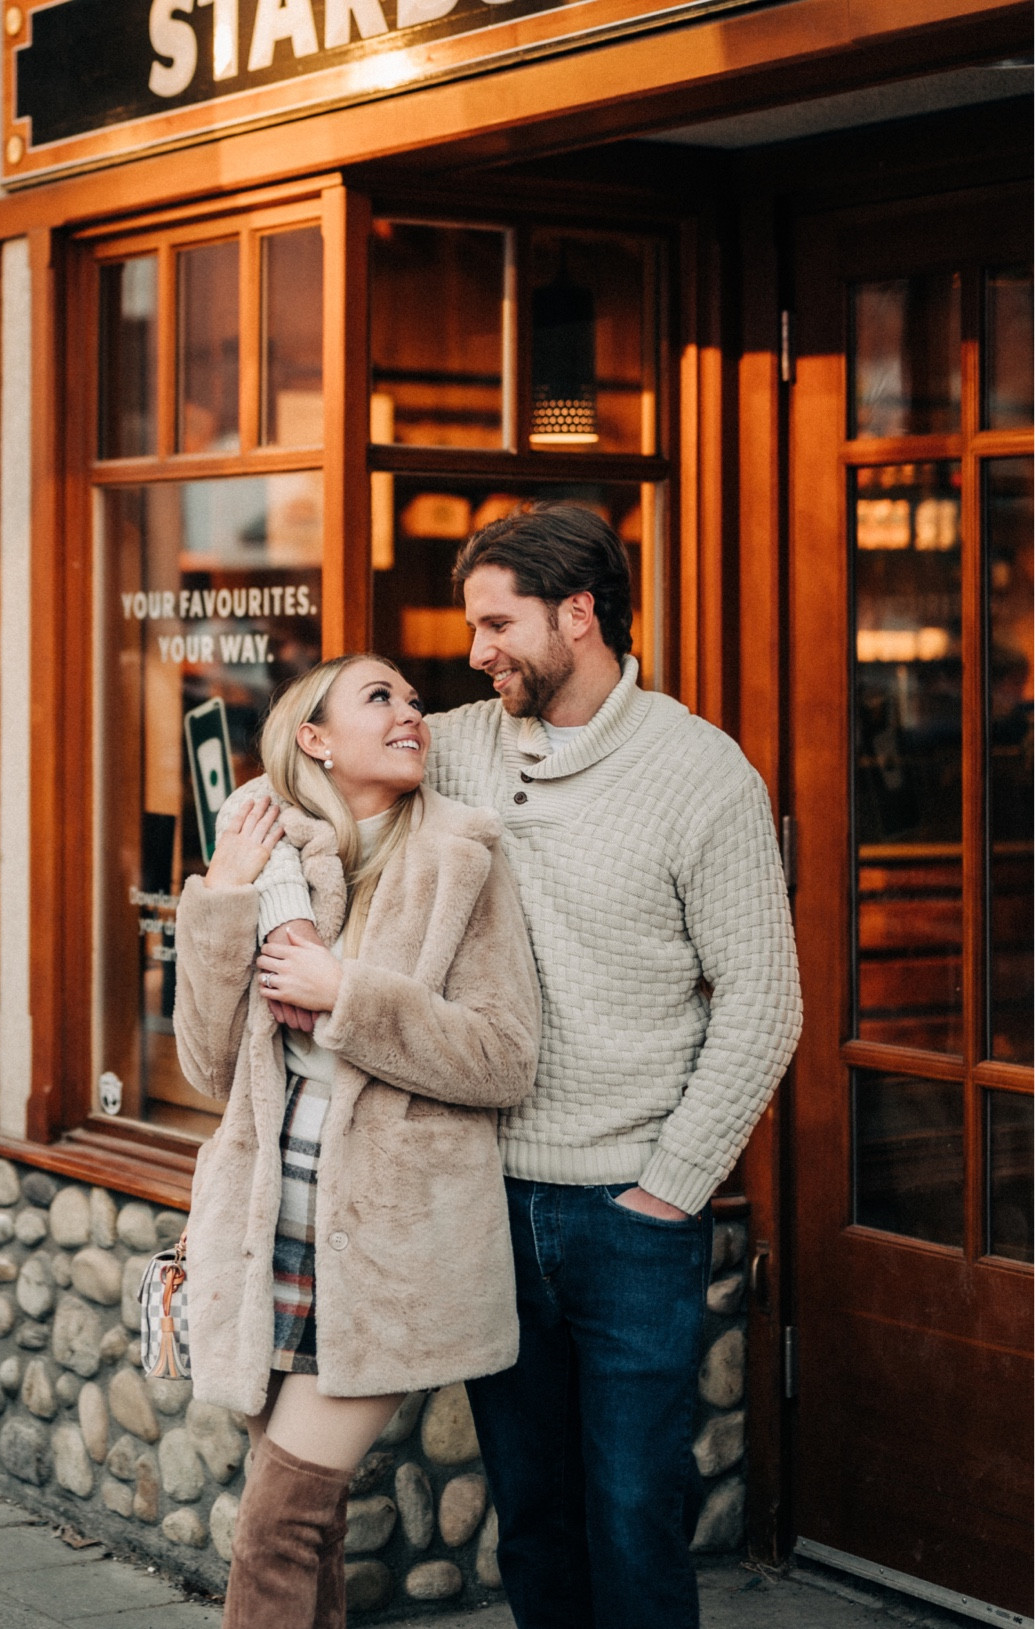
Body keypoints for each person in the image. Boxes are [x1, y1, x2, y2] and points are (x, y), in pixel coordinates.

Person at [251, 505, 803, 1629]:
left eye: (496, 623)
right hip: (480, 1201)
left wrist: (669, 1189)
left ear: (578, 615)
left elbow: (763, 1005)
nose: (473, 652)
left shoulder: (703, 777)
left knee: (634, 1511)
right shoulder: (451, 744)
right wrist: (250, 860)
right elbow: (309, 778)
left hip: (628, 1216)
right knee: (531, 1514)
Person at [173, 653, 541, 1629]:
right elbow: (209, 1070)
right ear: (315, 740)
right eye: (379, 697)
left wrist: (349, 998)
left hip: (389, 1250)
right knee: (312, 1526)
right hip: (272, 1237)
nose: (410, 712)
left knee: (276, 1524)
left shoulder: (464, 857)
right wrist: (221, 891)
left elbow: (505, 1058)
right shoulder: (273, 863)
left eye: (414, 699)